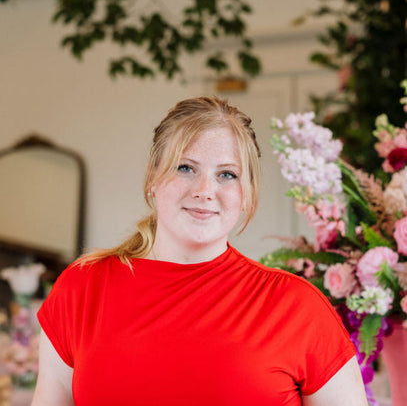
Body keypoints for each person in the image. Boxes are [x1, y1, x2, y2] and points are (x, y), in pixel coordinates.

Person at [31, 97, 368, 406]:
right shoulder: (81, 289)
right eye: (186, 168)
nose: (205, 190)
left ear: (247, 194)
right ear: (152, 177)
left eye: (227, 174)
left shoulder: (297, 307)